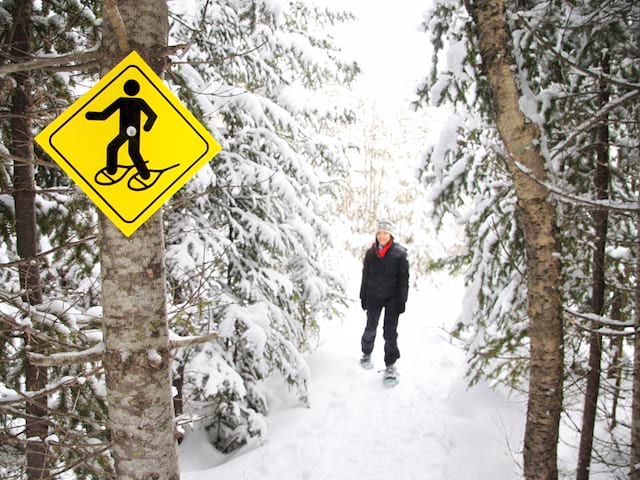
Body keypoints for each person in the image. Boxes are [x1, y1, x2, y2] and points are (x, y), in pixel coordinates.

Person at [359, 219, 409, 380]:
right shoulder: (370, 253)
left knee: (390, 332)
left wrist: (402, 300)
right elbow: (365, 276)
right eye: (379, 233)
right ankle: (366, 353)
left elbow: (404, 279)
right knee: (370, 327)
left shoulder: (399, 254)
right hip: (373, 296)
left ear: (391, 235)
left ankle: (390, 365)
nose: (382, 236)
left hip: (392, 299)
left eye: (385, 233)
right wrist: (363, 295)